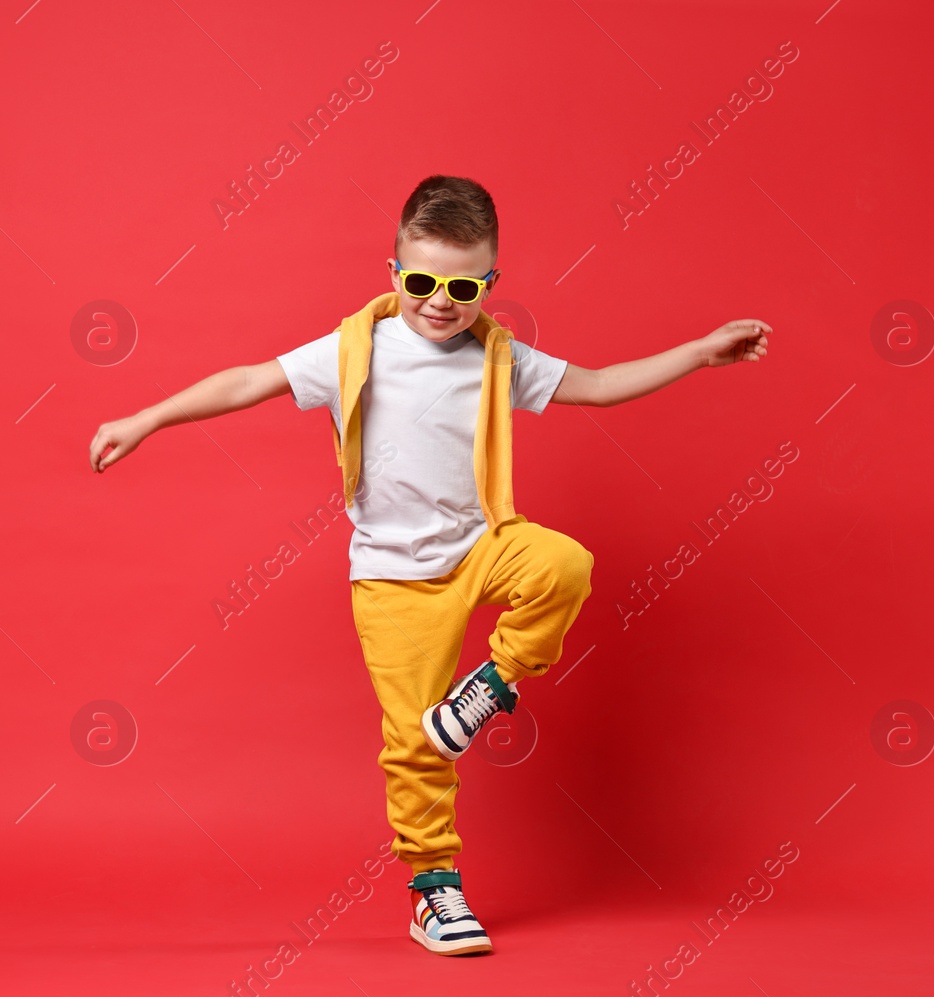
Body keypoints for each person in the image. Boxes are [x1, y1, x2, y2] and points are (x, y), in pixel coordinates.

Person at [88, 174, 771, 956]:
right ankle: (434, 890)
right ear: (393, 273)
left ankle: (490, 687)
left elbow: (602, 385)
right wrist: (146, 417)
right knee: (415, 742)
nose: (438, 301)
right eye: (420, 281)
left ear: (489, 282)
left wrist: (698, 353)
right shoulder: (358, 347)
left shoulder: (497, 357)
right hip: (390, 578)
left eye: (460, 284)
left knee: (565, 564)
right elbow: (249, 380)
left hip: (481, 547)